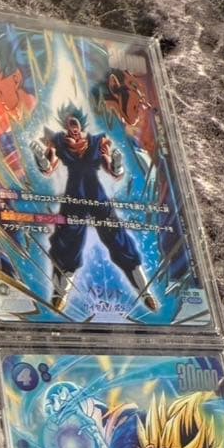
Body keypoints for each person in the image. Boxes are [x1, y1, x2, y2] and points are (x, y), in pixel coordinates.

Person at [33, 103, 160, 313]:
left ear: (81, 124)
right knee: (67, 241)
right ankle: (60, 293)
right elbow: (49, 168)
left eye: (75, 123)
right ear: (65, 125)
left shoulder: (97, 141)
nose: (73, 127)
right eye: (69, 123)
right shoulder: (59, 142)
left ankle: (145, 291)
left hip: (96, 193)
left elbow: (113, 170)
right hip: (74, 194)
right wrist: (41, 160)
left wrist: (117, 163)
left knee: (118, 238)